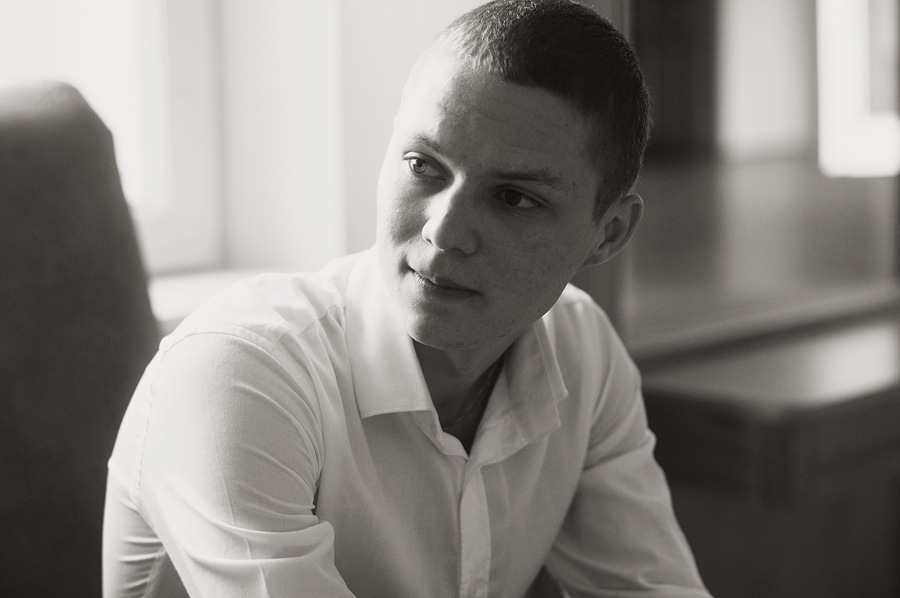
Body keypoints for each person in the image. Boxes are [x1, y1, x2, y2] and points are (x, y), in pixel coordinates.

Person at [103, 1, 711, 596]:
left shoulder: (582, 353)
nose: (444, 231)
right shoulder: (243, 369)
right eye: (424, 165)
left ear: (608, 234)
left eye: (514, 198)